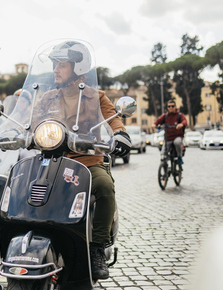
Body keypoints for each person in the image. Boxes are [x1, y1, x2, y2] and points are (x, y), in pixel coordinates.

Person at [34, 41, 132, 280]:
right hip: (53, 162)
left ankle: (97, 247)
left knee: (105, 188)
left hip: (88, 161)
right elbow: (32, 121)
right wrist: (17, 132)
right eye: (55, 64)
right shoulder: (48, 98)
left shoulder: (96, 97)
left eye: (62, 65)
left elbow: (113, 119)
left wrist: (120, 134)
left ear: (77, 69)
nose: (56, 69)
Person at [152, 99, 187, 165]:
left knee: (177, 142)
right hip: (168, 138)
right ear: (167, 107)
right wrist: (154, 124)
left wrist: (181, 124)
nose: (171, 108)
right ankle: (164, 167)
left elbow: (184, 121)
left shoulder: (179, 115)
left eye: (172, 106)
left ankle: (179, 157)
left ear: (175, 107)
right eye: (169, 106)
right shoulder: (165, 116)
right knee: (163, 152)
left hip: (177, 136)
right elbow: (158, 121)